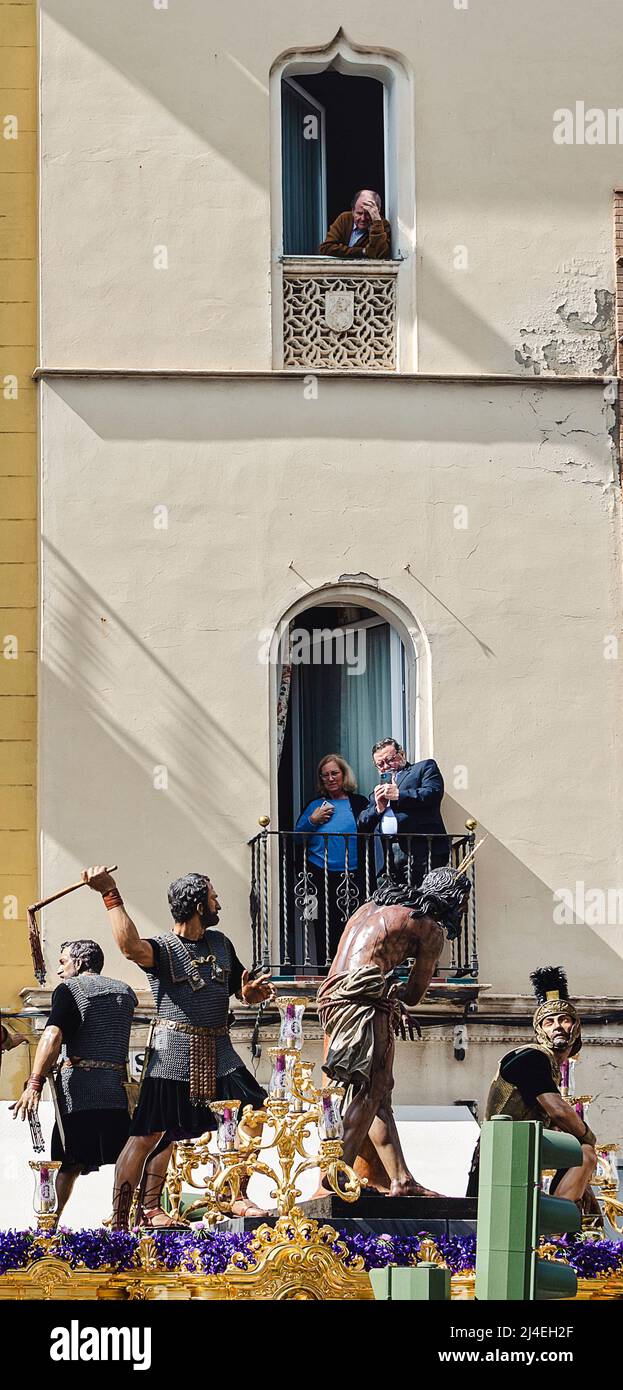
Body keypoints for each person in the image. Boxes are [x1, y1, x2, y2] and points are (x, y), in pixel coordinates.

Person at [83, 866, 274, 1228]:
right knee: (149, 1134)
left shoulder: (221, 944)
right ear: (200, 904)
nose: (219, 903)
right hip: (174, 1052)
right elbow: (128, 948)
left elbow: (239, 988)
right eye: (214, 896)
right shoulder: (163, 949)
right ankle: (129, 1216)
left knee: (254, 1113)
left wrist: (250, 993)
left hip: (219, 1051)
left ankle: (234, 1194)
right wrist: (109, 892)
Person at [317, 864, 472, 1197]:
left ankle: (400, 1178)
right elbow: (415, 994)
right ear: (452, 899)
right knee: (369, 1092)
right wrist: (394, 998)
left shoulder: (372, 905)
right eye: (463, 902)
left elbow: (363, 962)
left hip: (332, 998)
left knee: (380, 1092)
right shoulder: (429, 929)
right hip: (362, 1004)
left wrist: (388, 998)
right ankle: (334, 1175)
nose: (463, 910)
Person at [12, 939, 137, 1217]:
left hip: (80, 1093)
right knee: (128, 1158)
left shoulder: (70, 989)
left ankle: (50, 1225)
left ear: (79, 963)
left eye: (63, 962)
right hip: (118, 1093)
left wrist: (35, 1082)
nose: (59, 970)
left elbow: (53, 1035)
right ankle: (123, 1221)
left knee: (67, 1163)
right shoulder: (126, 993)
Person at [466, 966, 598, 1209]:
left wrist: (583, 1181)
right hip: (503, 1155)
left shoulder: (545, 1066)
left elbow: (562, 1131)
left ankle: (556, 1221)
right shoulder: (532, 1057)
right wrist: (590, 1139)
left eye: (564, 1019)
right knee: (585, 1152)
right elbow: (558, 1111)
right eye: (549, 1022)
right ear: (539, 1032)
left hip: (518, 1155)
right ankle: (555, 1231)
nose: (557, 1026)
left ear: (576, 1028)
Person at [294, 754, 369, 967]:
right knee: (324, 926)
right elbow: (297, 837)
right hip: (319, 873)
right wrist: (313, 820)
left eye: (334, 773)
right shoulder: (315, 804)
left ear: (344, 775)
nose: (330, 778)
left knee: (355, 925)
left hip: (353, 874)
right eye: (325, 775)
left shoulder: (359, 802)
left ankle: (353, 970)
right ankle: (326, 971)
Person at [358, 737, 448, 886]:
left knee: (420, 900)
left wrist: (399, 795)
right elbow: (361, 823)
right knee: (389, 904)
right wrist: (378, 808)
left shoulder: (423, 768)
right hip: (387, 855)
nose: (386, 766)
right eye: (380, 764)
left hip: (420, 850)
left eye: (390, 760)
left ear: (402, 754)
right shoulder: (376, 792)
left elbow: (433, 793)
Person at [319, 189, 391, 259]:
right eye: (359, 213)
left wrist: (376, 222)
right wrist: (363, 251)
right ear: (353, 211)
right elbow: (326, 248)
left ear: (377, 211)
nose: (363, 218)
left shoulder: (382, 225)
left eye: (368, 214)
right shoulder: (344, 218)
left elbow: (380, 254)